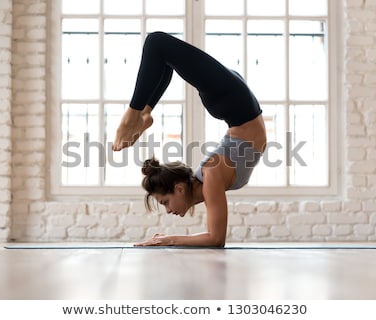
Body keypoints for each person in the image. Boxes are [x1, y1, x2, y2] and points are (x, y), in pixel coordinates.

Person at [113, 31, 267, 247]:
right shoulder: (210, 177)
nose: (168, 210)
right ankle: (144, 113)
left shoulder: (210, 175)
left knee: (156, 43)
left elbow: (216, 239)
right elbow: (216, 238)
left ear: (179, 188)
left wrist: (168, 239)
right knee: (163, 56)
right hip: (236, 105)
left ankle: (134, 114)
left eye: (165, 202)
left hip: (235, 103)